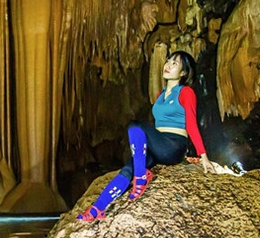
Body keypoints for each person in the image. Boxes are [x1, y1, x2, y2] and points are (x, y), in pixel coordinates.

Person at [77, 50, 216, 221]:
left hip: (173, 146)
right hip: (157, 145)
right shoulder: (160, 95)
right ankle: (98, 208)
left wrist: (204, 156)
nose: (168, 65)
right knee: (128, 169)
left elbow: (191, 124)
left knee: (136, 126)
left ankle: (141, 178)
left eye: (175, 64)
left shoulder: (186, 92)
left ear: (183, 73)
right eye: (168, 61)